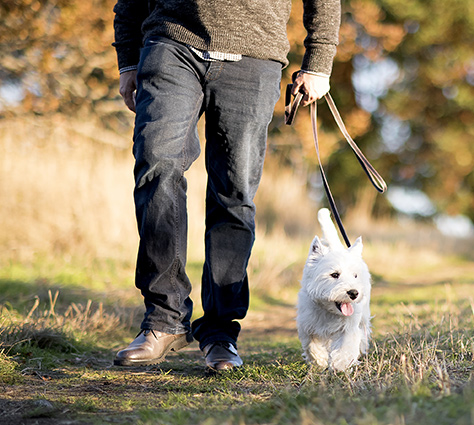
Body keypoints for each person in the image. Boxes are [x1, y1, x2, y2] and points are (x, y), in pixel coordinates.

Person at [112, 0, 340, 373]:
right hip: (171, 43)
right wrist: (128, 61)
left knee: (234, 194)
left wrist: (318, 62)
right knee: (157, 167)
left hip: (255, 57)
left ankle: (220, 333)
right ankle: (163, 319)